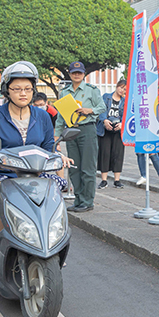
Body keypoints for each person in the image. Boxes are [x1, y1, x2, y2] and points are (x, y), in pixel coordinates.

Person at [0, 61, 70, 271]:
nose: (23, 93)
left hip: (36, 175)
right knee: (0, 196)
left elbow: (47, 147)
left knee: (54, 197)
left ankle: (52, 245)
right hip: (4, 176)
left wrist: (57, 155)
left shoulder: (43, 116)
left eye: (27, 89)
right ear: (6, 90)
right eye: (17, 89)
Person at [54, 61, 105, 212]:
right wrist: (57, 137)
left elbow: (102, 107)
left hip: (87, 130)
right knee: (74, 167)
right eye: (74, 72)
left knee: (87, 168)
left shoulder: (92, 90)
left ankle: (87, 201)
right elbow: (60, 117)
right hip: (70, 132)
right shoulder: (64, 92)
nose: (77, 75)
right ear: (69, 74)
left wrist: (90, 110)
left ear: (84, 74)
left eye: (80, 72)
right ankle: (78, 199)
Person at [97, 79, 127, 189]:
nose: (122, 90)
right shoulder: (106, 96)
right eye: (121, 87)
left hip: (118, 130)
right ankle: (104, 180)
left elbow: (126, 114)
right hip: (105, 129)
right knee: (104, 153)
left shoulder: (125, 101)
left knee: (118, 154)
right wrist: (105, 121)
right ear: (116, 86)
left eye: (124, 89)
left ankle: (117, 180)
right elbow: (101, 110)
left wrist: (122, 124)